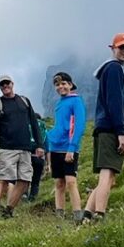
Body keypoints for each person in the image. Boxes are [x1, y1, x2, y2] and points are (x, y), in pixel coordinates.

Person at [81, 34, 124, 224]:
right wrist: (121, 132)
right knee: (107, 173)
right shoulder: (114, 69)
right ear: (113, 48)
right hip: (110, 128)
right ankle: (100, 215)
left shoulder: (110, 69)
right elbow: (115, 101)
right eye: (121, 47)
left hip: (104, 127)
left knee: (108, 175)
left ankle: (87, 215)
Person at [0, 77, 44, 218]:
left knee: (25, 180)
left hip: (25, 149)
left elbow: (34, 124)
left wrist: (39, 145)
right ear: (0, 87)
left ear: (12, 84)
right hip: (7, 148)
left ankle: (8, 210)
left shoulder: (24, 101)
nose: (5, 86)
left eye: (7, 83)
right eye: (2, 84)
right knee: (3, 178)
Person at [45, 71, 86, 216]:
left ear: (70, 85)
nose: (60, 87)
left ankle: (77, 214)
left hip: (68, 148)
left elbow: (79, 125)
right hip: (55, 148)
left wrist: (72, 148)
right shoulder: (58, 103)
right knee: (58, 183)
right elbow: (59, 124)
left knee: (71, 182)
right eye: (57, 84)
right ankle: (59, 215)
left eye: (63, 83)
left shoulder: (76, 101)